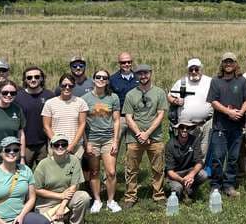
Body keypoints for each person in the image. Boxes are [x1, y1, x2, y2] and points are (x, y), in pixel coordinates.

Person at [122, 64, 168, 208]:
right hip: (134, 137)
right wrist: (139, 134)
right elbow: (128, 117)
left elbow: (161, 114)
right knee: (131, 169)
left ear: (151, 74)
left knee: (158, 168)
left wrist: (147, 133)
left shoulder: (159, 93)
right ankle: (130, 196)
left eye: (146, 73)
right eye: (140, 74)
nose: (143, 76)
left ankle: (158, 194)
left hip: (155, 137)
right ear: (136, 75)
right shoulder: (131, 94)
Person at [207, 53, 246, 197]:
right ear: (222, 64)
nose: (228, 64)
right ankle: (215, 185)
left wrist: (240, 112)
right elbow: (213, 101)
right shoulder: (216, 81)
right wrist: (228, 112)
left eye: (231, 62)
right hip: (220, 126)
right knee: (218, 157)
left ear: (235, 64)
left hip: (237, 127)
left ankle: (229, 185)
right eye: (225, 62)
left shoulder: (242, 81)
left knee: (233, 158)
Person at [0, 136, 49, 224]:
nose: (12, 152)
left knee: (43, 222)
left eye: (15, 150)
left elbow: (32, 198)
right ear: (1, 152)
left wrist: (21, 215)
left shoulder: (26, 170)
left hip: (20, 218)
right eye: (7, 150)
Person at [81, 69, 122, 213]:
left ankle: (111, 200)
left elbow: (116, 120)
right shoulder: (85, 99)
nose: (101, 79)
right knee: (94, 171)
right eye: (98, 77)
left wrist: (115, 140)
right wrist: (86, 143)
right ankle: (97, 200)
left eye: (104, 77)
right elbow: (82, 123)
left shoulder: (113, 98)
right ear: (93, 79)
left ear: (108, 81)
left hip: (108, 139)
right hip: (92, 140)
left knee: (111, 172)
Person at [33, 135, 91, 223]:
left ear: (67, 146)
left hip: (67, 199)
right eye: (56, 145)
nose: (60, 147)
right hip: (47, 202)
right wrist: (60, 196)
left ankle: (76, 221)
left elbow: (73, 187)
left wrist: (62, 206)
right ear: (51, 146)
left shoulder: (74, 160)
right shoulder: (43, 164)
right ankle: (63, 218)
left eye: (63, 144)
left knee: (83, 197)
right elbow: (37, 189)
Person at [168, 58, 213, 157]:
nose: (193, 72)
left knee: (203, 151)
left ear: (201, 69)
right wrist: (175, 101)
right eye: (191, 69)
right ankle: (186, 170)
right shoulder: (181, 82)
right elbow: (169, 96)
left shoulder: (210, 81)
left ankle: (200, 170)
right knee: (187, 150)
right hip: (186, 126)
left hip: (205, 124)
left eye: (196, 69)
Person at [15, 66, 54, 170]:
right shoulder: (18, 97)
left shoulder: (49, 95)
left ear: (41, 78)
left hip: (44, 144)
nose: (33, 79)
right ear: (25, 80)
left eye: (37, 77)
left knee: (45, 174)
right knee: (23, 174)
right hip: (25, 145)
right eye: (29, 77)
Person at [42, 74, 89, 159]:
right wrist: (58, 143)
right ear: (60, 86)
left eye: (70, 85)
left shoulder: (80, 102)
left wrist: (72, 145)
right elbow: (46, 126)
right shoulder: (50, 103)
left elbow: (82, 124)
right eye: (64, 85)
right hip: (55, 147)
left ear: (74, 86)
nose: (67, 87)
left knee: (73, 172)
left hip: (75, 147)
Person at [165, 120, 208, 202]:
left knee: (204, 174)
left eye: (187, 128)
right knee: (177, 188)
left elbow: (199, 162)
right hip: (175, 174)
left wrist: (191, 175)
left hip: (189, 172)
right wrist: (182, 180)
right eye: (182, 127)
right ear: (177, 129)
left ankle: (190, 190)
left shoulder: (194, 140)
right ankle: (180, 192)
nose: (184, 130)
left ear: (190, 129)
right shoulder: (170, 144)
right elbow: (170, 171)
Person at [109, 52, 138, 145]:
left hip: (135, 118)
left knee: (133, 149)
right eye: (123, 62)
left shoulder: (139, 77)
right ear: (119, 63)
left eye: (129, 62)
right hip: (119, 118)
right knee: (114, 146)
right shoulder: (112, 79)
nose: (126, 64)